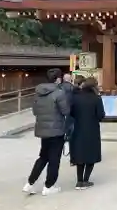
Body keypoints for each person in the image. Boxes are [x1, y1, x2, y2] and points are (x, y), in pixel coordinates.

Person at [23, 68, 70, 196]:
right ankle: (49, 186)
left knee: (43, 157)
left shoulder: (38, 93)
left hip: (43, 130)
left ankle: (30, 183)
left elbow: (34, 111)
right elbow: (66, 111)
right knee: (54, 159)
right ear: (58, 79)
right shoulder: (59, 93)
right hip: (56, 130)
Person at [69, 77, 105, 190]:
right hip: (92, 129)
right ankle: (86, 180)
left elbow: (70, 113)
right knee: (91, 155)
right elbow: (101, 115)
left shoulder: (75, 98)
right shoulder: (96, 98)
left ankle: (79, 181)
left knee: (80, 154)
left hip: (77, 129)